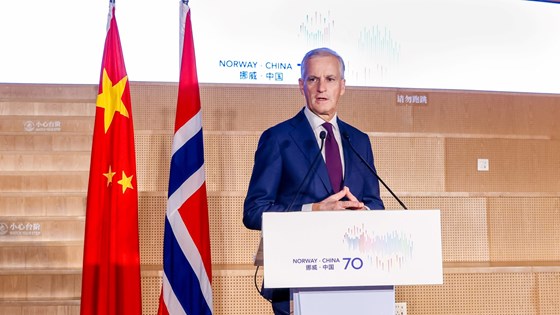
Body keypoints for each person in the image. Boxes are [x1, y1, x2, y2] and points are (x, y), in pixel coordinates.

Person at [243, 47, 385, 315]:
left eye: (330, 79)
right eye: (313, 79)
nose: (322, 87)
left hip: (355, 278)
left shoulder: (359, 140)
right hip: (298, 281)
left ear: (342, 86)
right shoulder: (278, 138)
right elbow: (253, 212)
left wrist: (362, 211)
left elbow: (376, 204)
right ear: (301, 85)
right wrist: (312, 211)